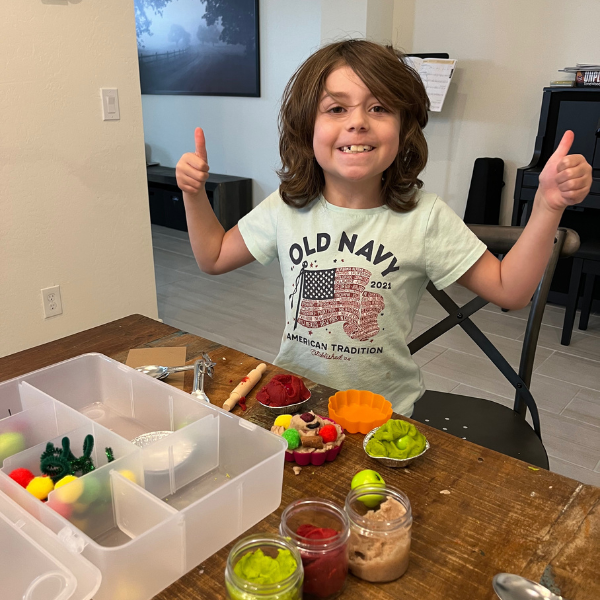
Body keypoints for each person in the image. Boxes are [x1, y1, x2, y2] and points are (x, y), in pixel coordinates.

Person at [175, 40, 592, 417]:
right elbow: (212, 257)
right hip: (297, 401)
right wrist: (194, 195)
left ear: (403, 129)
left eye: (378, 108)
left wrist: (546, 205)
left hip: (381, 414)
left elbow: (510, 290)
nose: (358, 123)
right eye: (336, 108)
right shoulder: (286, 206)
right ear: (307, 128)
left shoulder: (425, 217)